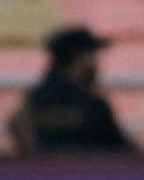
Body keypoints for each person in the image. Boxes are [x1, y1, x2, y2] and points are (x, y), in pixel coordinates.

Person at [10, 25, 134, 154]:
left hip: (44, 173)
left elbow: (21, 137)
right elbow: (126, 154)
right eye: (91, 55)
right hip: (90, 172)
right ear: (78, 58)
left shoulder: (32, 102)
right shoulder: (94, 105)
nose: (96, 63)